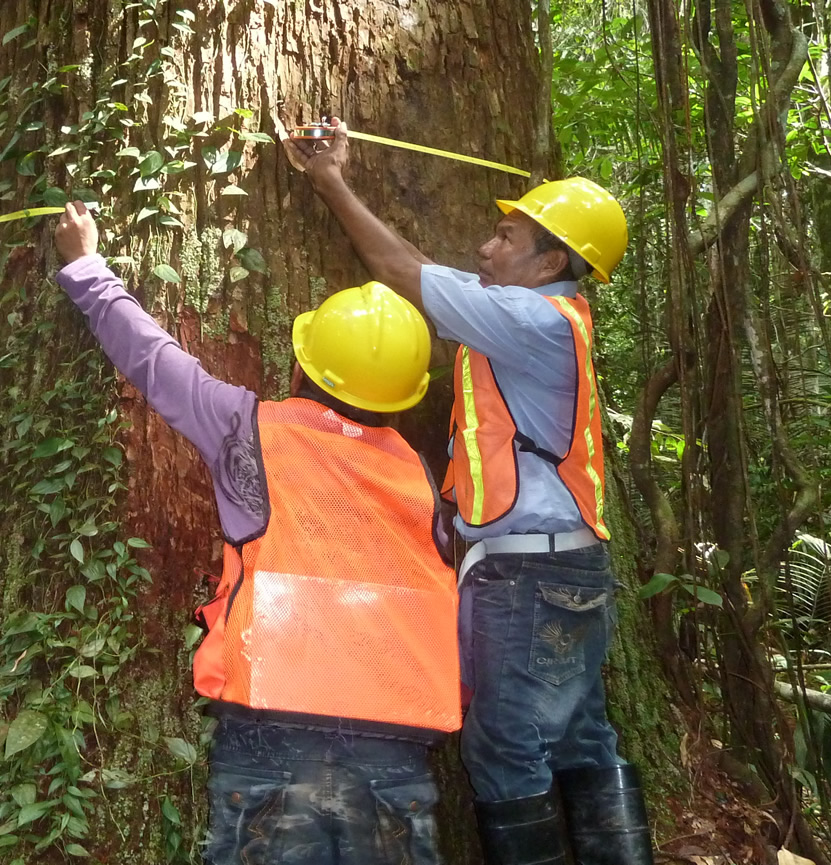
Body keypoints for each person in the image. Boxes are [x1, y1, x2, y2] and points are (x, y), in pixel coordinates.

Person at [285, 120, 652, 865]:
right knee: (582, 738)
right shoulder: (560, 320)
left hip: (528, 577)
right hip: (568, 565)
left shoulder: (529, 319)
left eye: (505, 237)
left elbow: (397, 265)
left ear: (551, 260)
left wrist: (329, 178)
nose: (486, 248)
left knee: (503, 747)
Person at [52, 201, 461, 865]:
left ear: (302, 365)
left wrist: (84, 265)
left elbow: (153, 360)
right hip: (397, 732)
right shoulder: (418, 474)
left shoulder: (247, 428)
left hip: (272, 720)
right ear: (402, 397)